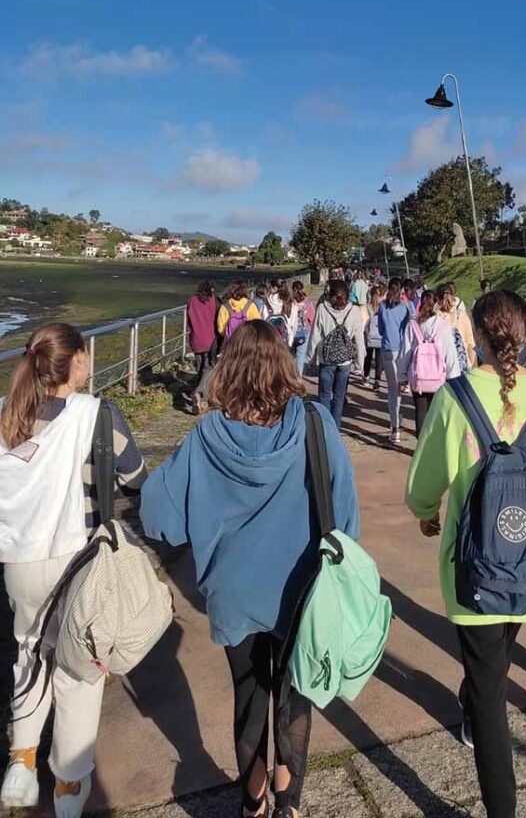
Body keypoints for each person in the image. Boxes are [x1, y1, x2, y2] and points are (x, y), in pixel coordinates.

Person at [140, 322, 360, 818]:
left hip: (234, 592)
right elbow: (345, 513)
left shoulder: (206, 437)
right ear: (284, 365)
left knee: (250, 694)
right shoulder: (315, 423)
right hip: (302, 589)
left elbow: (160, 519)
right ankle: (290, 800)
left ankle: (252, 799)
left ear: (228, 368)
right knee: (294, 696)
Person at [405, 292, 526, 818]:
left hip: (474, 576)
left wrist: (425, 511)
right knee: (494, 660)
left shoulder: (454, 397)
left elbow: (424, 480)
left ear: (478, 341)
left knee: (490, 693)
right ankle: (473, 705)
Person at [0, 323, 147, 818]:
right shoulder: (96, 415)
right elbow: (135, 476)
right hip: (77, 559)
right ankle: (68, 785)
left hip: (19, 562)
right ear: (79, 361)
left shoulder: (6, 411)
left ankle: (20, 765)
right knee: (79, 671)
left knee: (27, 653)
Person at [397, 291, 459, 436]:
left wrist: (402, 376)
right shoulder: (443, 326)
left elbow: (405, 352)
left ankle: (420, 446)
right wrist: (453, 378)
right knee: (435, 413)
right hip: (438, 378)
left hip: (418, 377)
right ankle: (433, 444)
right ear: (437, 304)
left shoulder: (413, 325)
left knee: (420, 412)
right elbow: (450, 354)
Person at [306, 280, 365, 430]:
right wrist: (360, 363)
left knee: (325, 396)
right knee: (339, 398)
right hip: (345, 361)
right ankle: (335, 429)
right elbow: (359, 339)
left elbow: (315, 335)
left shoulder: (322, 309)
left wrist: (310, 357)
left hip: (327, 359)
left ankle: (324, 428)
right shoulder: (354, 311)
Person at [377, 278, 411, 444]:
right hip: (400, 349)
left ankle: (394, 426)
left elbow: (381, 329)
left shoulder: (382, 306)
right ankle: (396, 421)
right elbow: (407, 330)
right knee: (398, 388)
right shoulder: (404, 307)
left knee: (391, 389)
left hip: (386, 349)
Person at [436, 284, 476, 370]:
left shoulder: (435, 317)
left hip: (443, 365)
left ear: (437, 299)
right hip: (462, 363)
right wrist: (470, 362)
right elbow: (470, 341)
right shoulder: (461, 314)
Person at [187, 280, 218, 387]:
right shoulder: (212, 300)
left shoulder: (192, 300)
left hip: (196, 338)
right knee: (208, 366)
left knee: (199, 366)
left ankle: (198, 388)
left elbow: (189, 320)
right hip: (210, 338)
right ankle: (203, 390)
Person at [363, 284, 384, 391]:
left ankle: (366, 376)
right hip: (380, 336)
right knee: (379, 359)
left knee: (368, 357)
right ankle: (377, 381)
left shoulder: (367, 306)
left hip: (369, 336)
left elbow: (363, 322)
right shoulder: (383, 307)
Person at [292, 281, 315, 377]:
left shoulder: (291, 302)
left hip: (291, 331)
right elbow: (311, 319)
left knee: (290, 354)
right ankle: (298, 377)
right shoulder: (308, 303)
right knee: (300, 355)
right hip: (304, 331)